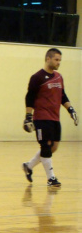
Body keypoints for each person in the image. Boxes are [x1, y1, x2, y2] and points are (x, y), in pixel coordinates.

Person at [22, 48, 78, 187]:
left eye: (60, 60)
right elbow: (29, 97)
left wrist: (71, 109)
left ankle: (28, 166)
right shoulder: (37, 77)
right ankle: (51, 178)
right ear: (48, 59)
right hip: (41, 117)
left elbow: (62, 96)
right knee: (45, 146)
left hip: (55, 118)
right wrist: (28, 116)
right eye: (56, 59)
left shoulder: (59, 77)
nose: (58, 62)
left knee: (53, 147)